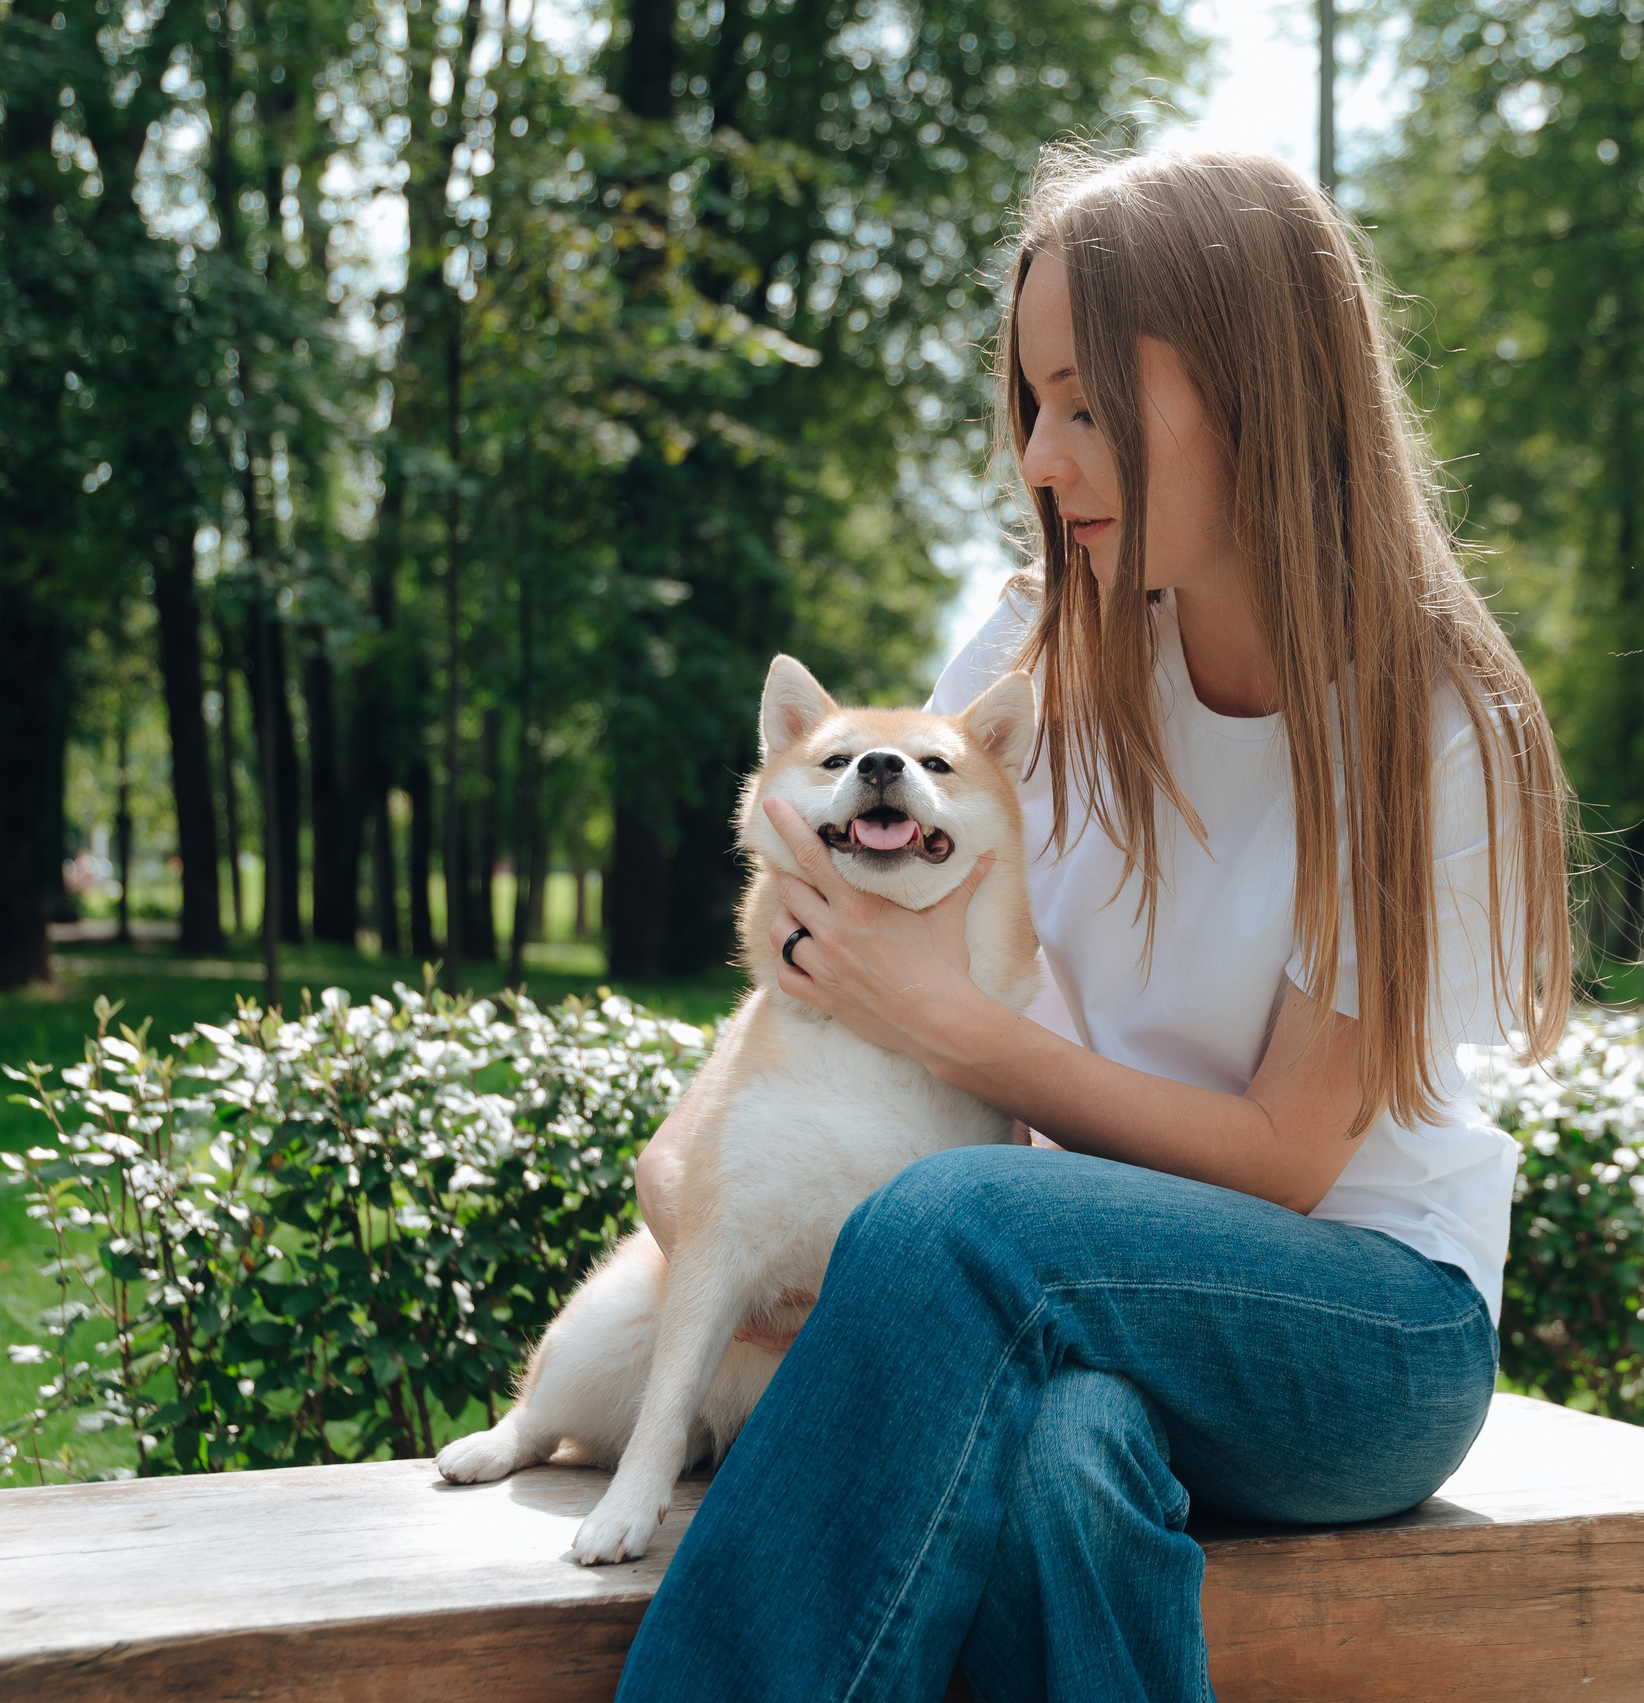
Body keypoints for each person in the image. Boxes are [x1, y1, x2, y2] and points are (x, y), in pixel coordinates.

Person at [614, 147, 1572, 1702]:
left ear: (1256, 388)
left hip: (1365, 1328)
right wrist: (700, 1160)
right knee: (1068, 1469)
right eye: (1032, 406)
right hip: (1062, 1297)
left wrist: (958, 1036)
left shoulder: (1428, 727)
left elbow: (1284, 1158)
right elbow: (830, 943)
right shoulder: (1033, 652)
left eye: (1087, 404)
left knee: (953, 1220)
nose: (1044, 459)